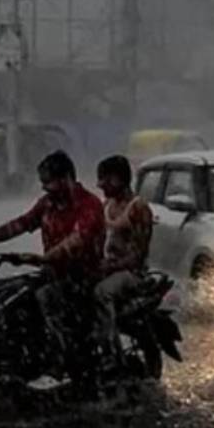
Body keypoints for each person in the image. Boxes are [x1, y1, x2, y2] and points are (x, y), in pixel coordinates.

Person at [0, 150, 104, 364]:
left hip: (83, 277)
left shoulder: (89, 205)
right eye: (43, 182)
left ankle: (66, 355)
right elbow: (20, 224)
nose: (44, 187)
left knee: (45, 297)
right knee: (4, 294)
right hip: (52, 273)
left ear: (66, 178)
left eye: (48, 182)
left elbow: (76, 240)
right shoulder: (47, 204)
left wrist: (41, 259)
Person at [92, 155, 155, 366]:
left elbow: (138, 255)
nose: (100, 184)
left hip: (132, 274)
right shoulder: (106, 205)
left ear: (119, 178)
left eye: (104, 179)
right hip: (107, 269)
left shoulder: (139, 208)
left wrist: (109, 267)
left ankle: (111, 353)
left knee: (101, 293)